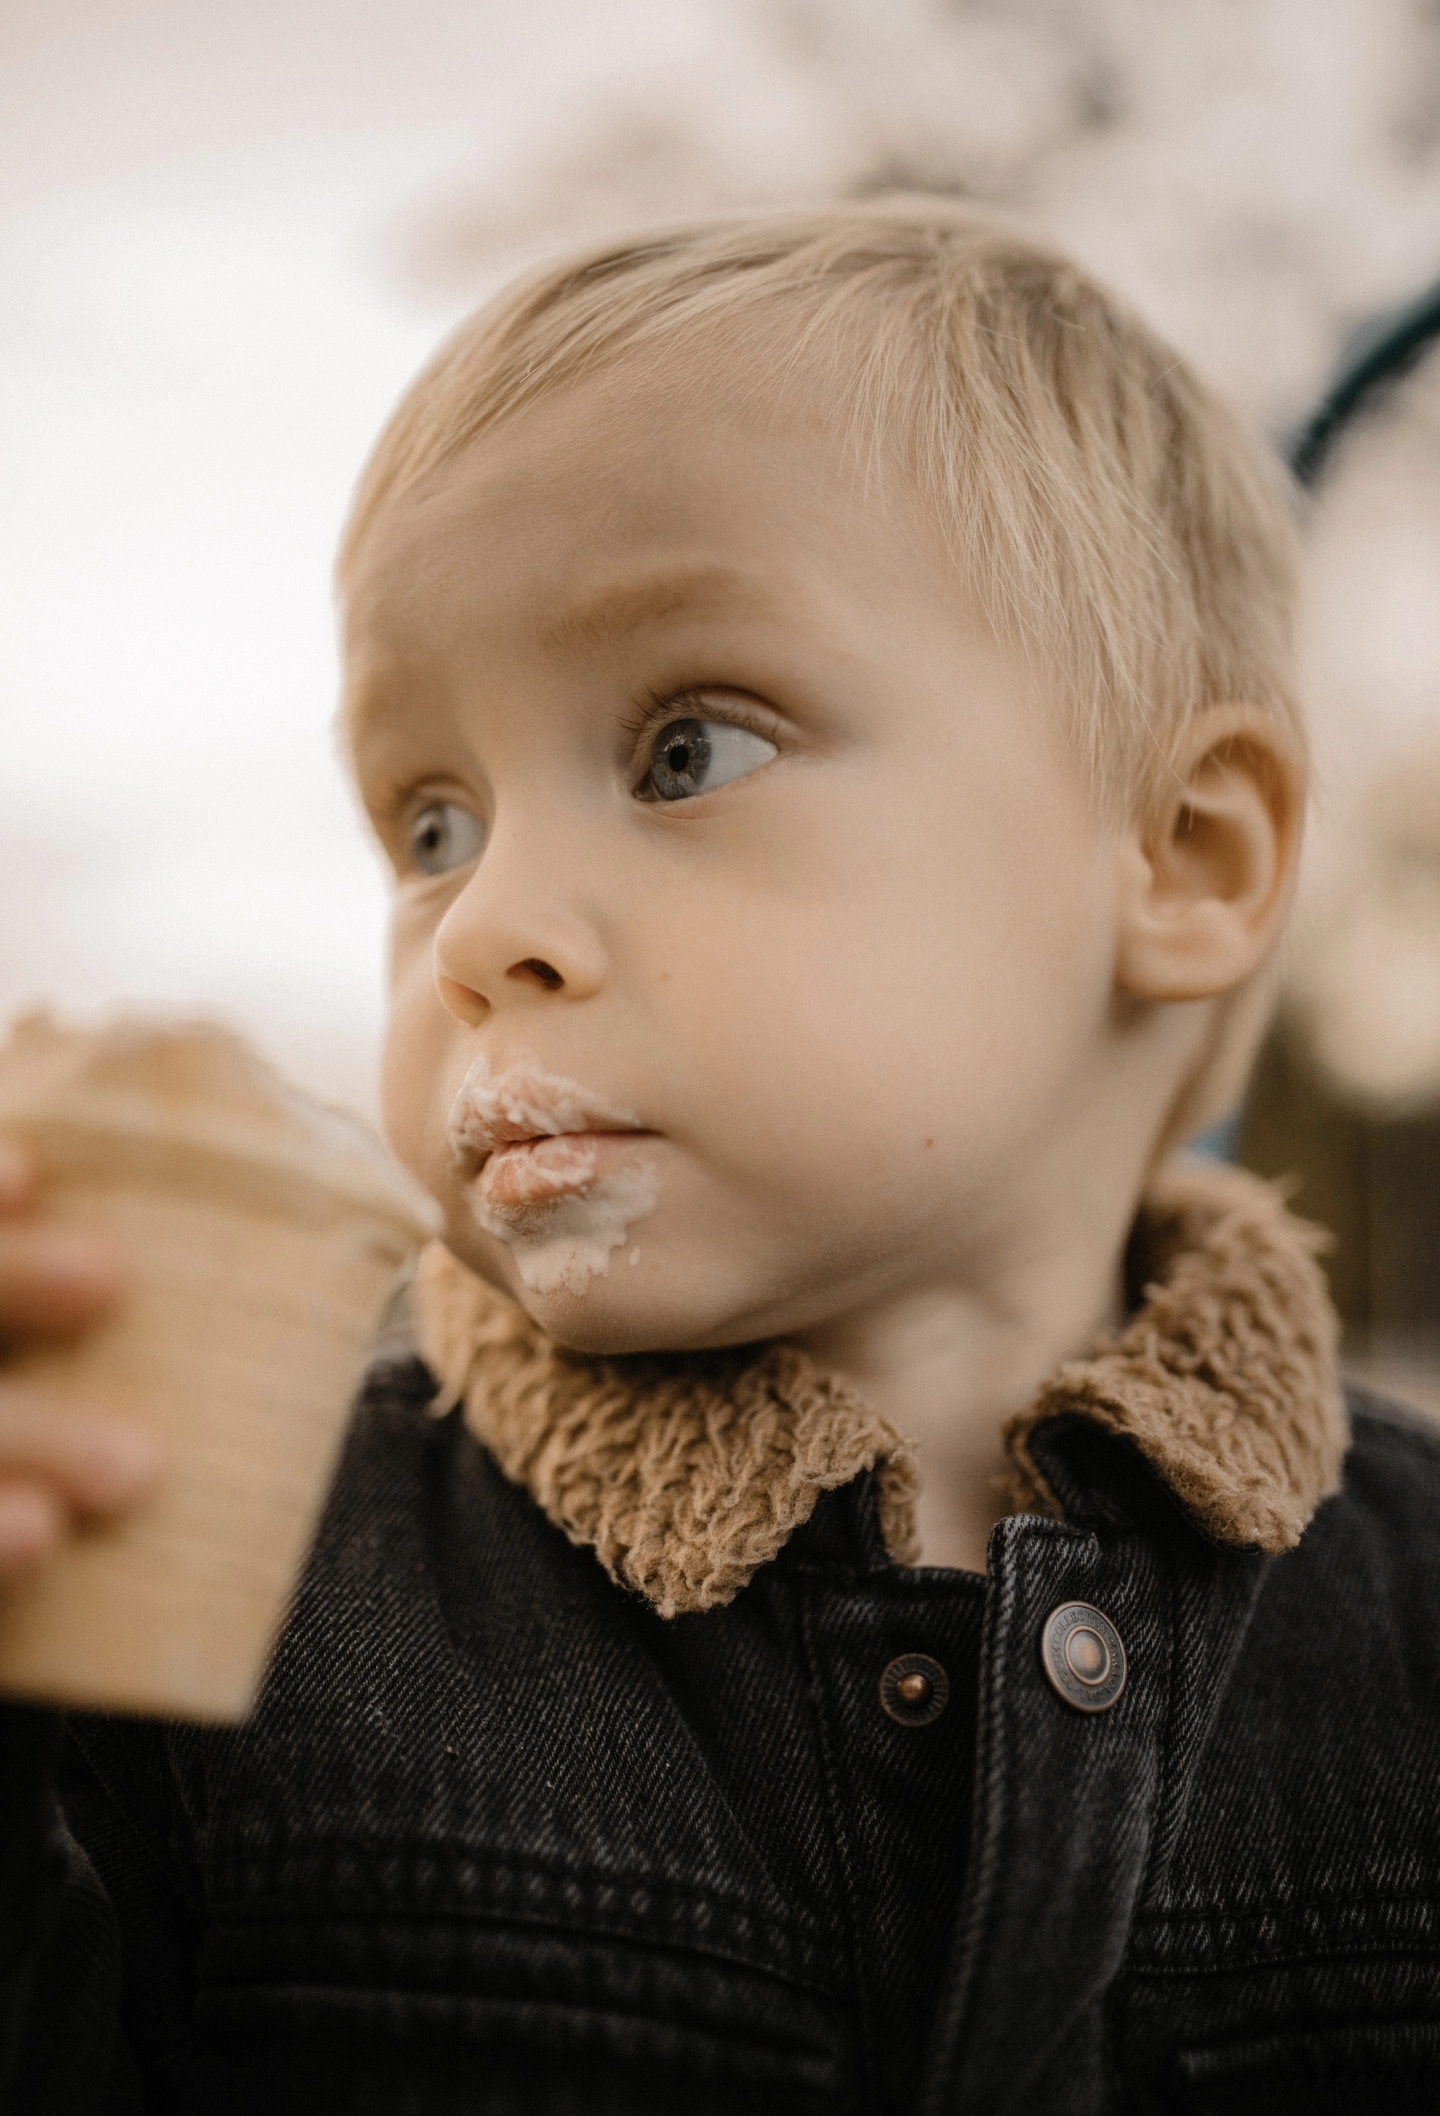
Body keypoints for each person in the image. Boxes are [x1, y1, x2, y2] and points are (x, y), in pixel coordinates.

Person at [2, 200, 1438, 2114]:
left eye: (688, 750)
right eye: (429, 822)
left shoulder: (1412, 1634)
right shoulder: (215, 1580)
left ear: (1183, 857)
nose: (476, 924)